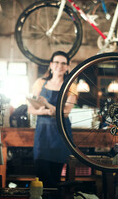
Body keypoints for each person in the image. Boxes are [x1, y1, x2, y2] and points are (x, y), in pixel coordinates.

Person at [28, 51, 77, 192]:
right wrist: (45, 111)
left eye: (63, 63)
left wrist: (48, 105)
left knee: (54, 177)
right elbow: (31, 109)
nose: (59, 66)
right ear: (51, 65)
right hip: (43, 134)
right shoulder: (40, 83)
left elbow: (66, 112)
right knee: (40, 173)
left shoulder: (71, 86)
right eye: (56, 62)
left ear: (68, 67)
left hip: (60, 135)